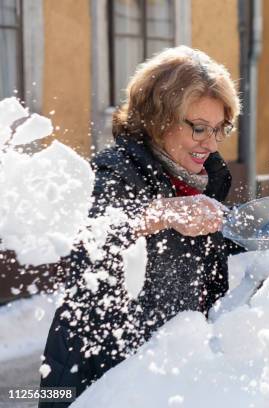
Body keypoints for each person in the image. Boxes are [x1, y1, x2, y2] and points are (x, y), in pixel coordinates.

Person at [38, 46, 245, 406]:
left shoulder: (203, 182)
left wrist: (265, 219)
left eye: (219, 129)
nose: (211, 144)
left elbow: (212, 259)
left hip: (169, 381)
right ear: (158, 119)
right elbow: (94, 233)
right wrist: (159, 213)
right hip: (92, 381)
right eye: (198, 128)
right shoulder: (111, 172)